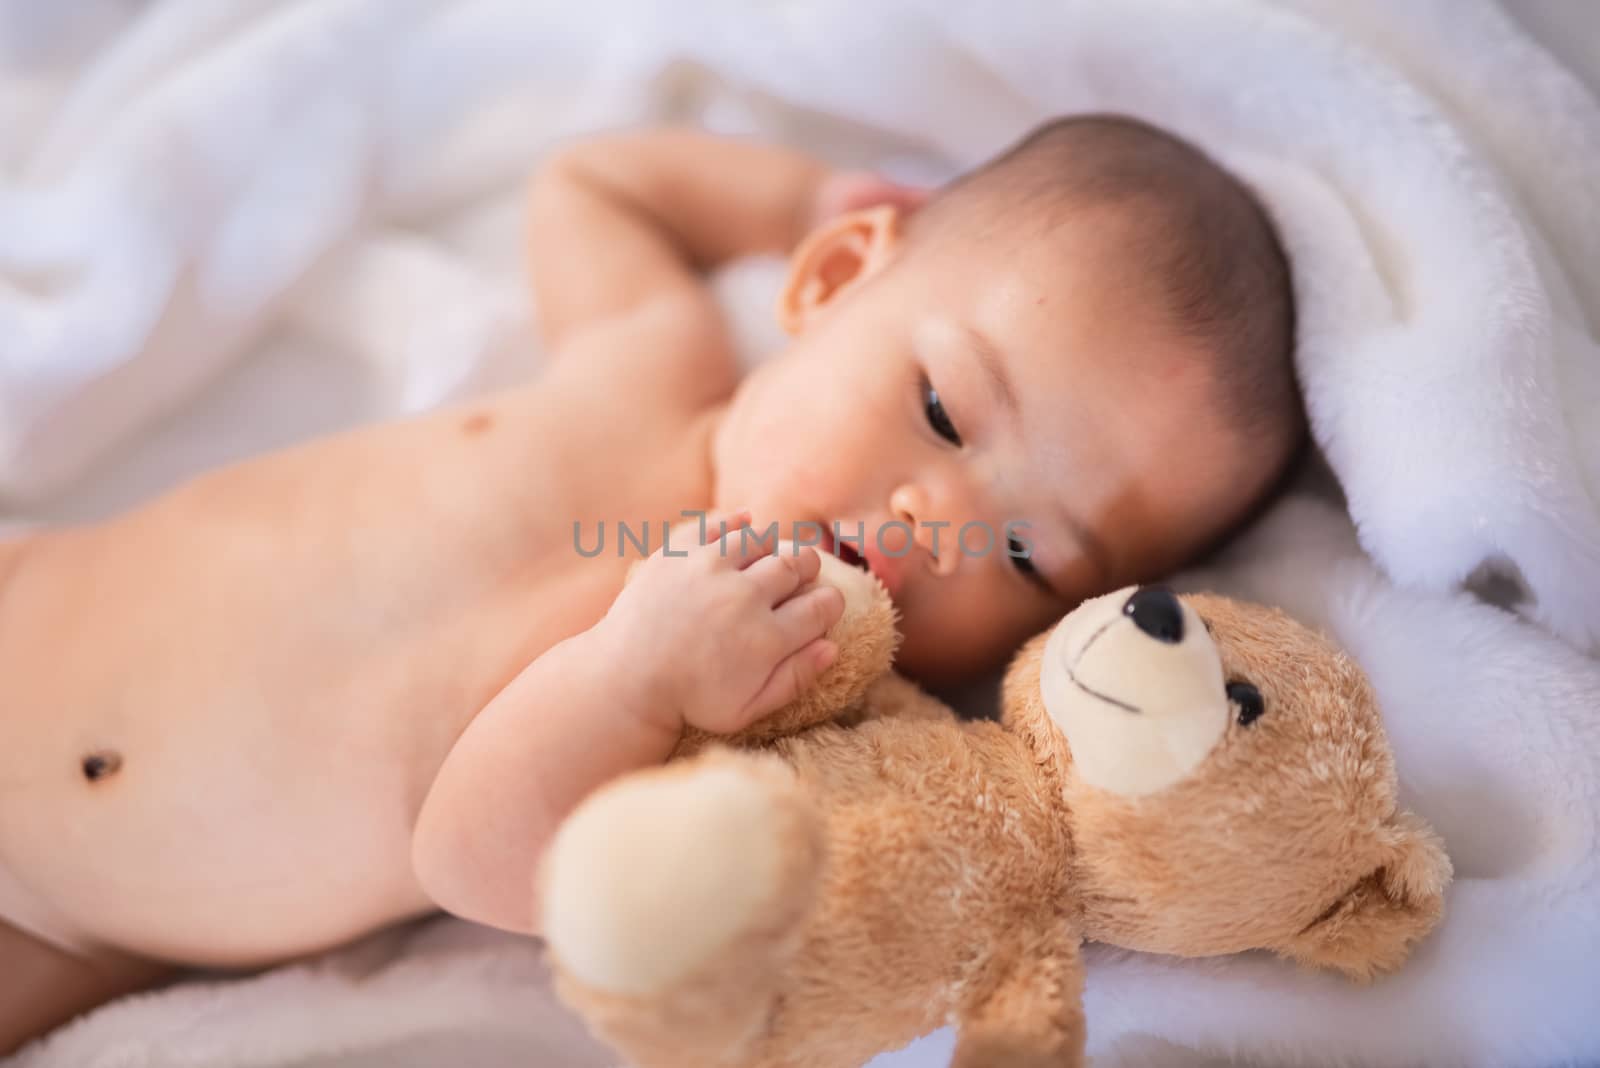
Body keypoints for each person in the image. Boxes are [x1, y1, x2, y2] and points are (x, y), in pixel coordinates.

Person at [0, 114, 1302, 1054]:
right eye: (944, 410)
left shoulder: (752, 722)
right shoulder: (647, 362)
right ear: (840, 280)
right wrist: (798, 197)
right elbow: (597, 184)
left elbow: (475, 862)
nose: (937, 516)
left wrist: (634, 675)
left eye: (1029, 556)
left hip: (57, 920)